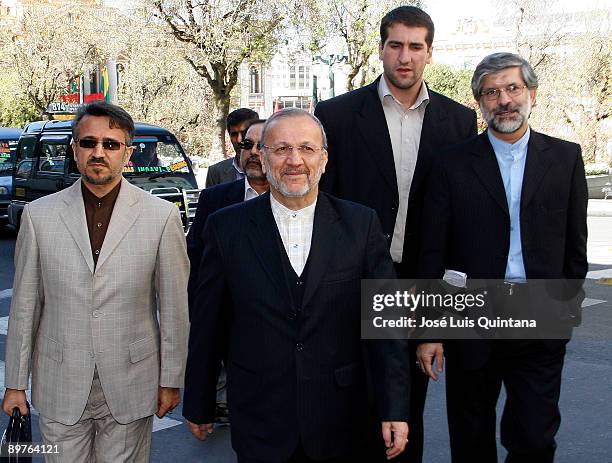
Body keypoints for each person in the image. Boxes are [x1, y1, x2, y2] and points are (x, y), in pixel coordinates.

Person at [183, 108, 411, 463]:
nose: (294, 160)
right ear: (262, 155)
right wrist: (199, 401)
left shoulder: (360, 224)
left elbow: (385, 326)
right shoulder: (225, 228)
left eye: (306, 148)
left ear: (324, 158)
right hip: (260, 416)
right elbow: (208, 323)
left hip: (343, 418)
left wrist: (394, 407)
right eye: (281, 149)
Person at [314, 6, 477, 461]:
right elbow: (324, 204)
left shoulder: (458, 121)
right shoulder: (337, 114)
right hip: (351, 279)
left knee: (408, 406)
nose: (405, 57)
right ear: (382, 49)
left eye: (415, 47)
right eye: (396, 45)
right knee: (347, 399)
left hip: (418, 286)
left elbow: (458, 225)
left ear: (429, 53)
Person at [416, 52, 588, 462]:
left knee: (534, 436)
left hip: (539, 317)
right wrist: (430, 329)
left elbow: (575, 246)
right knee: (470, 435)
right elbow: (431, 250)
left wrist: (565, 305)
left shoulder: (565, 158)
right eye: (491, 93)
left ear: (531, 94)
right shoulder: (450, 164)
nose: (504, 100)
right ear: (480, 102)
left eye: (512, 88)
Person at [2, 101, 190, 462]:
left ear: (128, 153)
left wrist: (171, 379)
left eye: (111, 144)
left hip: (131, 380)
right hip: (60, 380)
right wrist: (14, 385)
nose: (98, 153)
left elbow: (174, 307)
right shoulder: (39, 216)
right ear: (74, 150)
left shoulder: (161, 216)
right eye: (88, 143)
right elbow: (25, 307)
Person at [186, 119, 269, 423]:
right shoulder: (216, 200)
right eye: (247, 145)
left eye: (263, 146)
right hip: (231, 327)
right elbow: (195, 259)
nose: (253, 152)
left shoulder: (296, 201)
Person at [206, 108, 259, 188]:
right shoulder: (215, 173)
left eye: (244, 133)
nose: (239, 140)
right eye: (234, 134)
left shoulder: (273, 170)